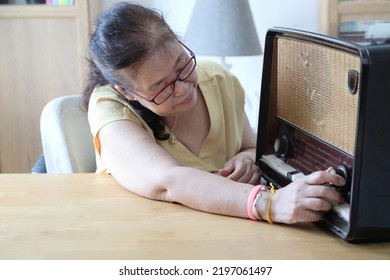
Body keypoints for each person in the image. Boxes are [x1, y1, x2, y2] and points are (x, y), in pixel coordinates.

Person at [82, 2, 346, 224]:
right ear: (128, 93)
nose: (183, 89)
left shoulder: (218, 80)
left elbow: (251, 147)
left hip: (228, 231)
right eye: (161, 88)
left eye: (182, 66)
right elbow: (169, 181)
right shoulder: (110, 107)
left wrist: (246, 159)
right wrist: (270, 204)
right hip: (146, 234)